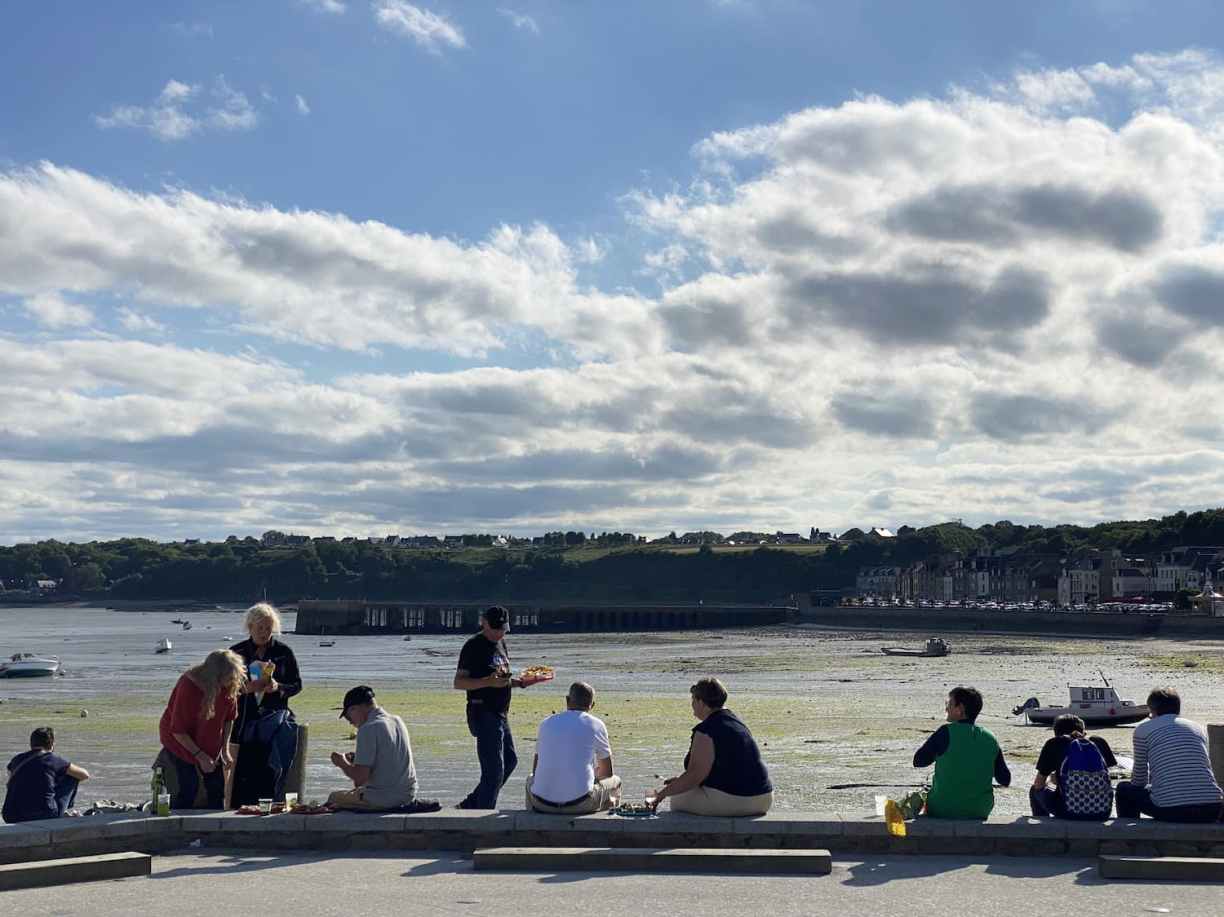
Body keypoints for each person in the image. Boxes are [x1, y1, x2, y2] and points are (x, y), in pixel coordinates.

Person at [650, 677, 773, 816]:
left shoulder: (706, 730)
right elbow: (730, 769)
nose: (692, 705)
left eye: (693, 700)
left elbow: (695, 776)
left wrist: (661, 795)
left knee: (678, 799)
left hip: (740, 801)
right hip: (764, 799)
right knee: (683, 789)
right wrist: (679, 782)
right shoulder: (737, 723)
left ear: (701, 702)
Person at [454, 606, 535, 809]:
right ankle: (481, 815)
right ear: (483, 622)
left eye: (503, 628)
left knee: (510, 761)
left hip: (500, 713)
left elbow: (502, 679)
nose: (499, 632)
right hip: (483, 712)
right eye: (496, 628)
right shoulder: (473, 646)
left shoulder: (501, 643)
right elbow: (459, 683)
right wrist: (487, 682)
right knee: (493, 772)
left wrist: (521, 682)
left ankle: (472, 804)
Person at [229, 603, 302, 806]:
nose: (264, 633)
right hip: (243, 720)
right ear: (250, 627)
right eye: (260, 628)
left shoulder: (283, 652)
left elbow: (297, 685)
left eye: (268, 628)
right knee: (242, 771)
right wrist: (244, 689)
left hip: (274, 716)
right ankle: (239, 809)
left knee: (269, 769)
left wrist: (278, 687)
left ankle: (268, 806)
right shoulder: (236, 652)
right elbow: (222, 687)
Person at [1116, 687, 1223, 823]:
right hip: (1212, 808)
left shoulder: (1143, 730)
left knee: (1124, 790)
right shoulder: (1198, 728)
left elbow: (1139, 780)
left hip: (1171, 809)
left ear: (1152, 710)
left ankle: (1128, 840)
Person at [157, 649, 244, 810]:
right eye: (229, 677)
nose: (234, 681)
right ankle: (180, 827)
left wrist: (225, 750)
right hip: (179, 741)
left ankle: (214, 830)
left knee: (217, 789)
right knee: (189, 788)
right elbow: (177, 730)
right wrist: (200, 756)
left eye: (235, 677)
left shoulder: (229, 685)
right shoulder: (188, 686)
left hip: (209, 739)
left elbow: (229, 719)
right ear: (214, 676)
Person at [913, 686, 1011, 818]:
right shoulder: (990, 737)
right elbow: (1005, 779)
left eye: (949, 704)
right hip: (980, 810)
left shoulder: (945, 732)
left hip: (942, 808)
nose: (946, 708)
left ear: (960, 709)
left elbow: (919, 761)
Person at [527, 681, 622, 814]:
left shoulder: (546, 723)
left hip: (542, 803)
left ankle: (533, 820)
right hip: (579, 804)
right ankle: (606, 824)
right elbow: (607, 773)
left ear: (567, 700)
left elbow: (536, 770)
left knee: (530, 779)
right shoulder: (596, 725)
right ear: (592, 705)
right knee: (616, 781)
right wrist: (591, 777)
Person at [327, 685, 418, 811]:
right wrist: (355, 760)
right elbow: (387, 761)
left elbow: (359, 779)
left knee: (334, 798)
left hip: (385, 799)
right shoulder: (397, 720)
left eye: (348, 717)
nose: (350, 722)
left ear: (355, 709)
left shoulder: (368, 728)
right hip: (408, 795)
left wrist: (342, 763)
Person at [1030, 714, 1117, 818]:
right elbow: (1106, 779)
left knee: (1034, 790)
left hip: (1067, 811)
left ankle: (1043, 829)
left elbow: (1039, 784)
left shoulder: (1055, 743)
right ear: (1083, 731)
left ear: (1056, 732)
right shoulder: (1098, 742)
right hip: (1102, 811)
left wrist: (1055, 780)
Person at [3, 727, 91, 823]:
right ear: (52, 744)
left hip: (10, 815)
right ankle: (62, 811)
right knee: (72, 776)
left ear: (31, 744)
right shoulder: (52, 759)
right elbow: (84, 775)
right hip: (44, 815)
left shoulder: (17, 759)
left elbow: (10, 775)